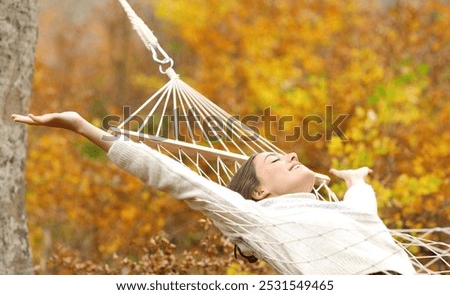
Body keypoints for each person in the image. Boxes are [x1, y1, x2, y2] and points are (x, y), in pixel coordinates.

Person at [11, 111, 416, 275]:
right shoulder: (258, 218)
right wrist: (83, 127)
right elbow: (174, 177)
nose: (291, 153)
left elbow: (363, 208)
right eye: (276, 161)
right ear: (258, 192)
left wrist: (356, 180)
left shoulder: (346, 214)